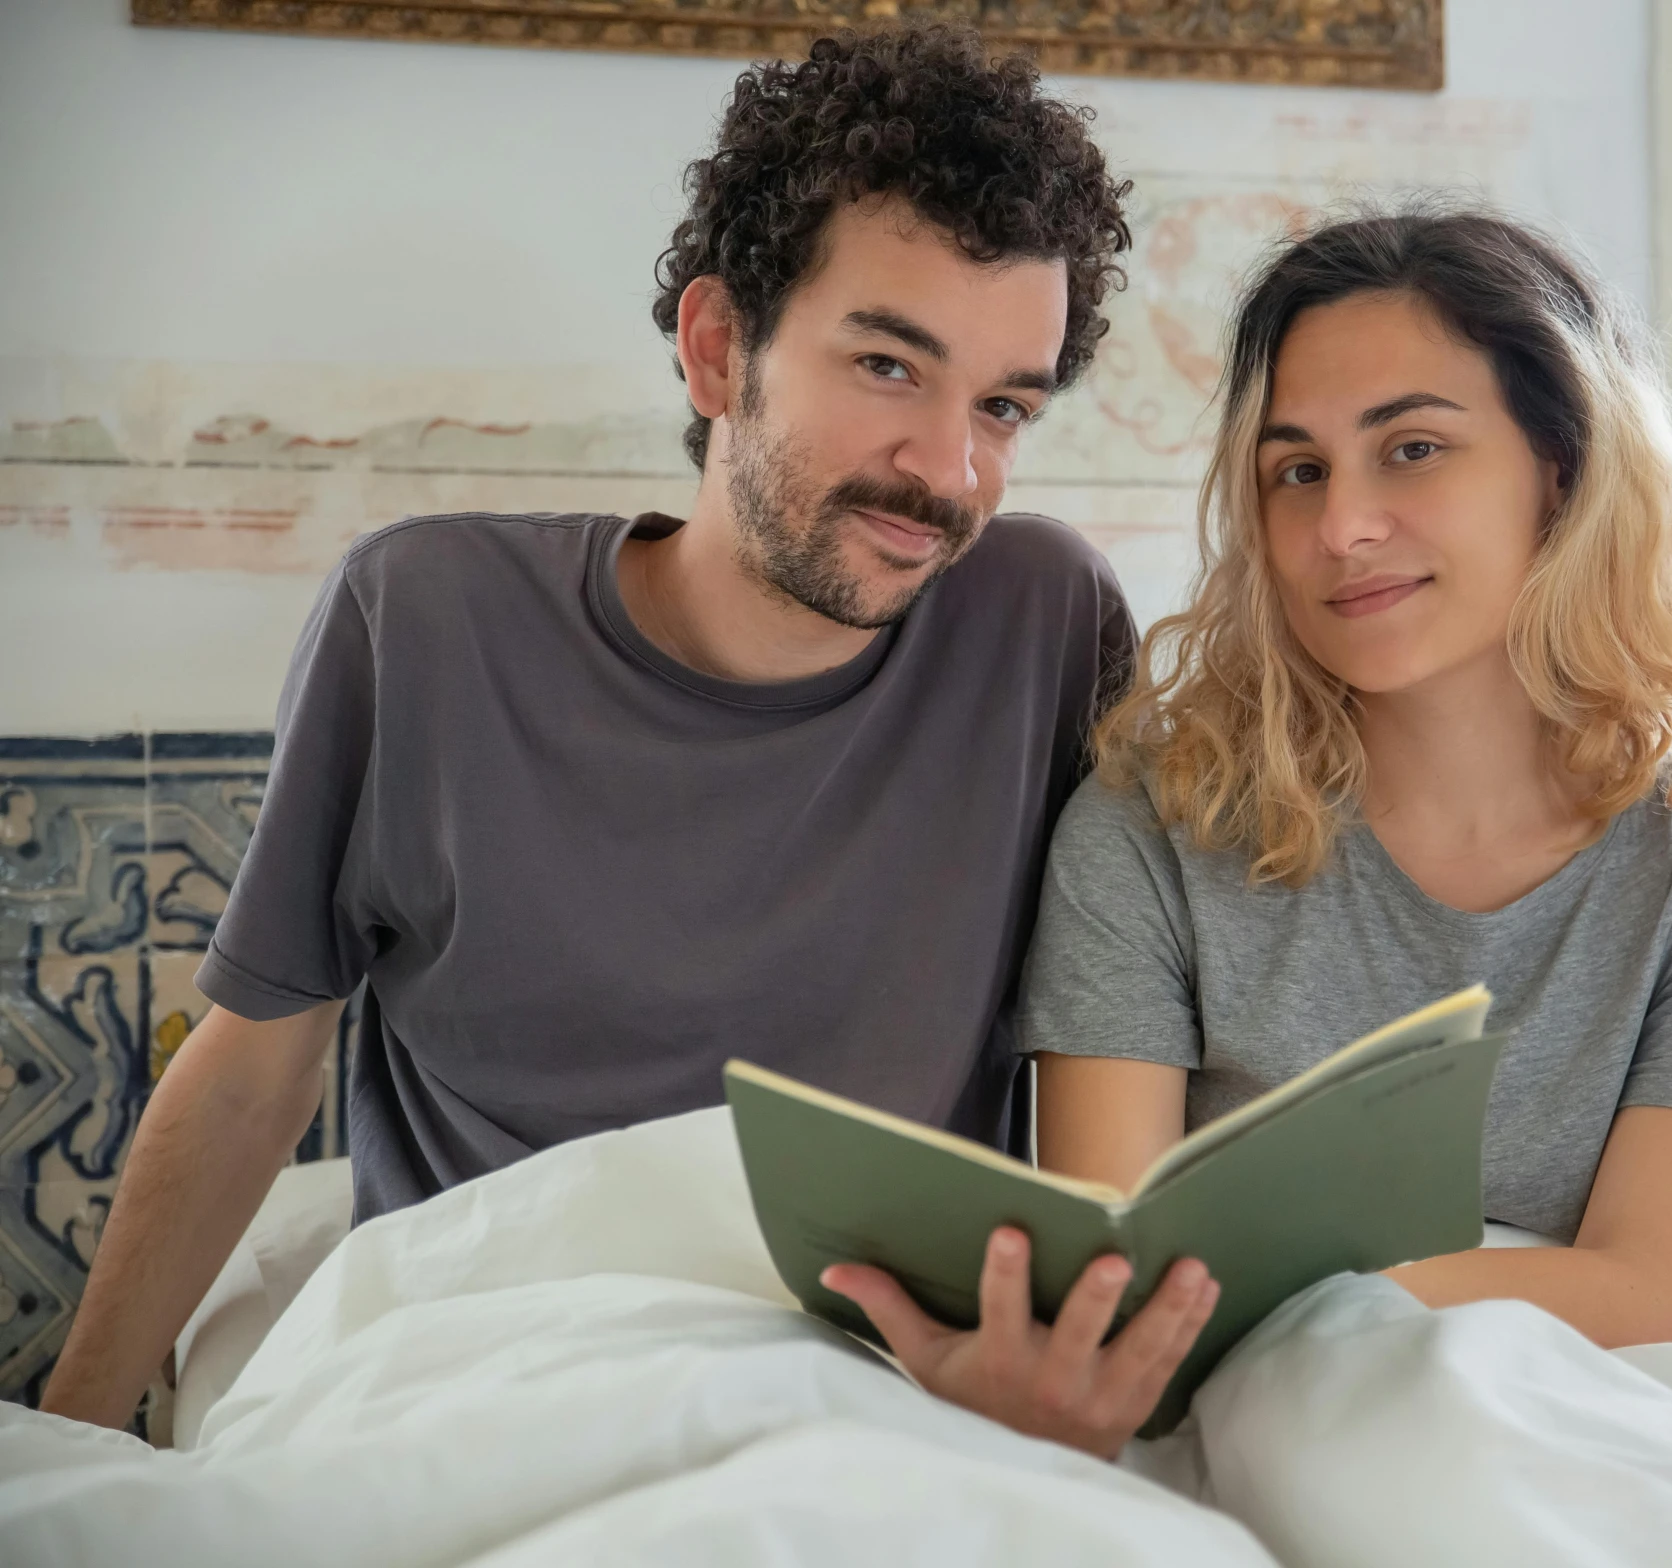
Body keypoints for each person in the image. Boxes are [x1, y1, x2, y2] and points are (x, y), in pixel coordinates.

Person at [42, 25, 1215, 1450]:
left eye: (1004, 406)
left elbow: (1141, 1023)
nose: (949, 472)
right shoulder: (422, 619)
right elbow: (250, 1071)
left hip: (868, 1412)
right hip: (482, 1378)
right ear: (719, 348)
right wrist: (72, 1440)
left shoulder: (1038, 624)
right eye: (890, 368)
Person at [972, 208, 1672, 1442]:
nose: (1342, 528)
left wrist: (1302, 1307)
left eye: (1412, 449)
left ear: (1565, 468)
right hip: (1250, 1418)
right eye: (1297, 470)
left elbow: (1658, 1288)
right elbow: (1116, 1292)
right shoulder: (1148, 828)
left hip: (1580, 1414)